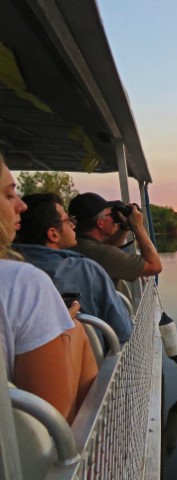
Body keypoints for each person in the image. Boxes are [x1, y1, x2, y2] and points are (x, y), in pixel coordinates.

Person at [0, 155, 97, 424]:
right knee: (76, 329)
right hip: (24, 456)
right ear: (53, 234)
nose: (21, 205)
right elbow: (53, 419)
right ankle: (88, 447)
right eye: (9, 195)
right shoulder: (22, 281)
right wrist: (63, 323)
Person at [13, 193, 133, 344]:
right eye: (68, 220)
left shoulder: (9, 268)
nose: (73, 225)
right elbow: (123, 331)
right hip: (92, 364)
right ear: (53, 234)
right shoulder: (86, 270)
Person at [68, 192, 162, 294]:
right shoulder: (103, 255)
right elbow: (155, 266)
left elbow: (105, 247)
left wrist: (124, 227)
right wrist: (138, 227)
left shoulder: (74, 245)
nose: (115, 219)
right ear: (100, 223)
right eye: (112, 214)